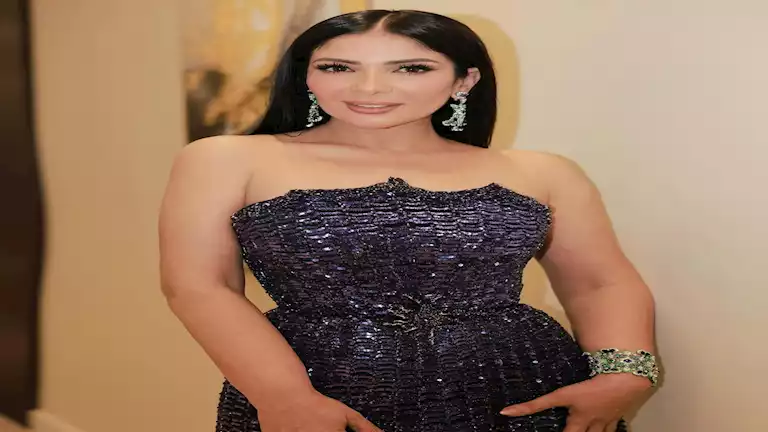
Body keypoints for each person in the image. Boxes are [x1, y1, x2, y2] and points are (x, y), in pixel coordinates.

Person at [158, 9, 658, 432]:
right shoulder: (227, 158)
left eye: (411, 68)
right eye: (338, 67)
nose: (369, 87)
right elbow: (201, 287)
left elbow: (599, 283)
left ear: (465, 80)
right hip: (315, 392)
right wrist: (284, 397)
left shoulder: (543, 172)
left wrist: (624, 375)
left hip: (521, 386)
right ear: (306, 76)